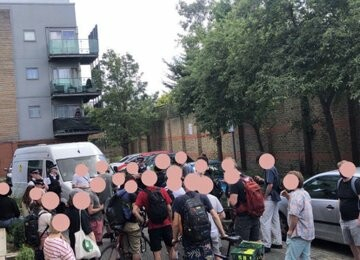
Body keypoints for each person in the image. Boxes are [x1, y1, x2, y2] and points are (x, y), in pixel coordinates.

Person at [172, 188, 227, 260]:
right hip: (205, 237)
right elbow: (215, 215)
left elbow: (175, 223)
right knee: (207, 257)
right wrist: (222, 233)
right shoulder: (203, 197)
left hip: (189, 239)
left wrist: (175, 238)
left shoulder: (179, 200)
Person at [133, 184, 176, 260]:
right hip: (166, 224)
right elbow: (169, 209)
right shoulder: (162, 190)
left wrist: (142, 220)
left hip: (153, 226)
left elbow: (134, 211)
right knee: (171, 248)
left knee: (157, 252)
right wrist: (170, 221)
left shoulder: (142, 193)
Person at [281, 171, 314, 260]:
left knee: (290, 258)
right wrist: (288, 197)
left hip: (299, 233)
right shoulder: (304, 193)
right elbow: (299, 207)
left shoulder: (295, 196)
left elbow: (294, 216)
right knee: (305, 257)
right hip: (308, 232)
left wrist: (290, 231)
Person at [229, 168, 261, 242]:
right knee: (254, 242)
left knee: (242, 244)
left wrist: (230, 197)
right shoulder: (249, 179)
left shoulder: (235, 182)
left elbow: (233, 202)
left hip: (243, 218)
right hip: (255, 214)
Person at [258, 155, 282, 253]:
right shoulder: (274, 168)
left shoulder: (268, 168)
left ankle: (266, 244)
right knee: (275, 220)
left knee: (264, 220)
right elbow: (273, 182)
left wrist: (265, 196)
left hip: (270, 197)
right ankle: (277, 242)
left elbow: (270, 184)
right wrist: (262, 180)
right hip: (276, 197)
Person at [336, 160, 360, 259]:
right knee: (351, 244)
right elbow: (339, 199)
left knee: (359, 244)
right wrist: (340, 217)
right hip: (344, 220)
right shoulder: (339, 182)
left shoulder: (357, 182)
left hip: (355, 220)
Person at [206, 193, 226, 260]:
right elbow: (223, 215)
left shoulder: (192, 199)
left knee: (206, 256)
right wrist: (215, 223)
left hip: (201, 234)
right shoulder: (213, 198)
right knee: (217, 255)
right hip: (214, 231)